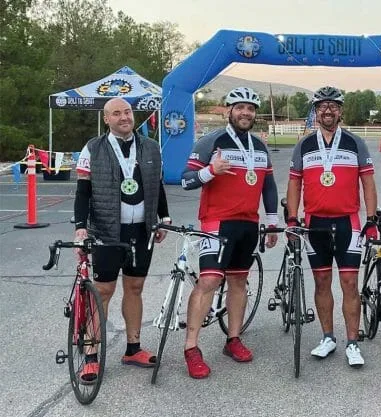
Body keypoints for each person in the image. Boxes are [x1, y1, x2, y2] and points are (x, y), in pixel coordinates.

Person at [180, 87, 279, 379]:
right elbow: (184, 180)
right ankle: (191, 347)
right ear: (229, 111)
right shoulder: (211, 142)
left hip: (248, 223)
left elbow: (268, 186)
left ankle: (233, 339)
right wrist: (210, 171)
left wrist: (272, 220)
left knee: (238, 281)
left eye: (251, 108)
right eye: (240, 107)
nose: (245, 112)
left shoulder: (259, 146)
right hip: (217, 222)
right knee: (210, 280)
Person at [74, 98, 171, 382]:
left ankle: (133, 348)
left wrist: (164, 217)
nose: (124, 117)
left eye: (127, 112)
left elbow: (157, 185)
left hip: (141, 230)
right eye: (116, 113)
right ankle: (91, 357)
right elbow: (82, 191)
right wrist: (80, 227)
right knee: (103, 290)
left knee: (135, 287)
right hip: (107, 230)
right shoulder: (93, 147)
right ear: (107, 119)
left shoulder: (150, 147)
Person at [286, 86, 378, 367]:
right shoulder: (304, 145)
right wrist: (292, 218)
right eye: (322, 106)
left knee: (349, 283)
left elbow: (368, 183)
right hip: (315, 223)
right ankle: (328, 337)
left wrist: (371, 220)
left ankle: (352, 342)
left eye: (333, 106)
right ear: (316, 111)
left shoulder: (355, 143)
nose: (328, 110)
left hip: (348, 222)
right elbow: (294, 183)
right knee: (322, 281)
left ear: (340, 111)